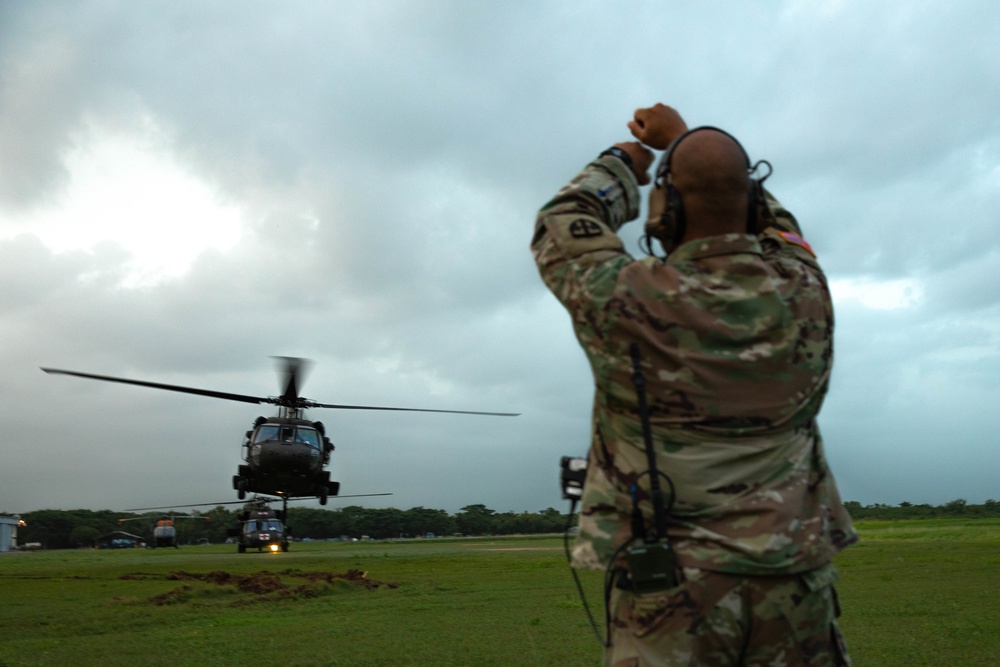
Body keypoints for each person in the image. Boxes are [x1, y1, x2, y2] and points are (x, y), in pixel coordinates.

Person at [532, 104, 858, 666]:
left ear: (667, 210)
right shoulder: (805, 289)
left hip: (670, 594)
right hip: (794, 581)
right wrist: (686, 141)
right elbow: (779, 228)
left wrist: (620, 164)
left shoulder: (622, 296)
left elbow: (563, 219)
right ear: (754, 202)